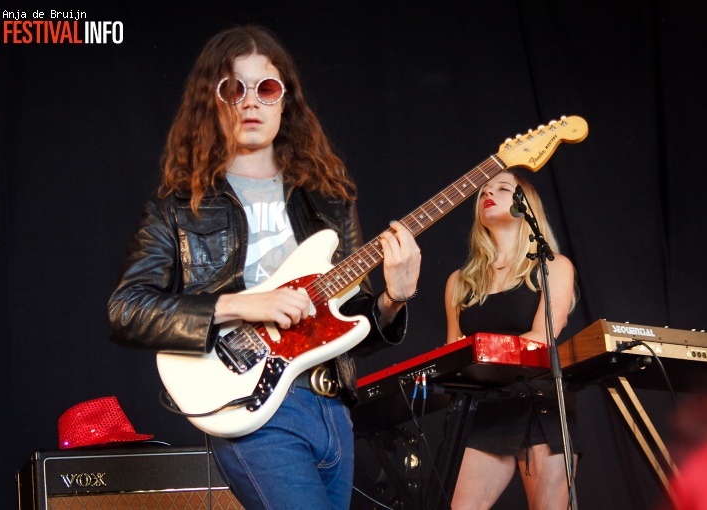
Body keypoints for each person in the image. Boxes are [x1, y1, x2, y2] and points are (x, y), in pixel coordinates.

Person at [107, 25, 421, 510]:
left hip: (332, 408)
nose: (250, 102)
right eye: (234, 88)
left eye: (266, 88)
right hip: (253, 404)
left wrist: (393, 299)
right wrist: (246, 304)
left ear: (284, 101)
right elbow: (127, 310)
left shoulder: (332, 201)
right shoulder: (177, 206)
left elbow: (355, 324)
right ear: (213, 102)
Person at [444, 170, 578, 510]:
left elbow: (542, 338)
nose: (489, 193)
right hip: (488, 404)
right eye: (484, 191)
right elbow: (451, 353)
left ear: (525, 206)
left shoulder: (553, 267)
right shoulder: (460, 282)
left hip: (539, 398)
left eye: (503, 188)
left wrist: (479, 352)